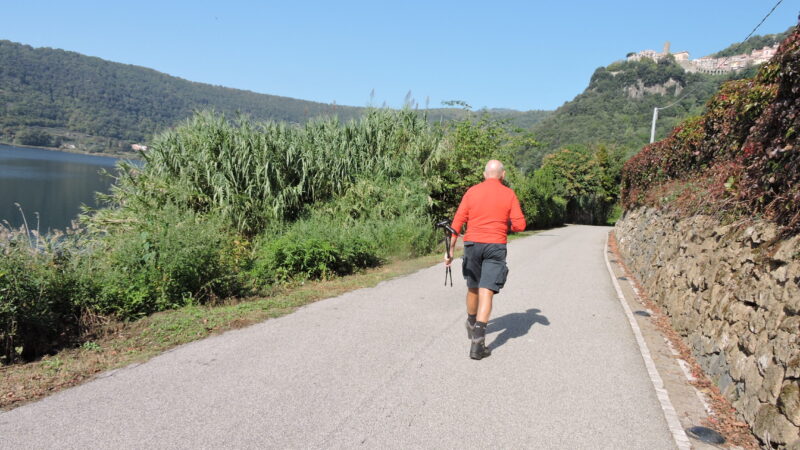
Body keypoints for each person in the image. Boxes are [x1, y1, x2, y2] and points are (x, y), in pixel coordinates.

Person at [445, 160, 526, 360]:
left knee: (473, 288)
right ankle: (478, 344)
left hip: (472, 245)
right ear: (503, 175)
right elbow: (520, 225)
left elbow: (457, 223)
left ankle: (472, 322)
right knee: (486, 291)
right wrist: (506, 224)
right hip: (495, 246)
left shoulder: (472, 192)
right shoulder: (509, 194)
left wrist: (450, 251)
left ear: (484, 174)